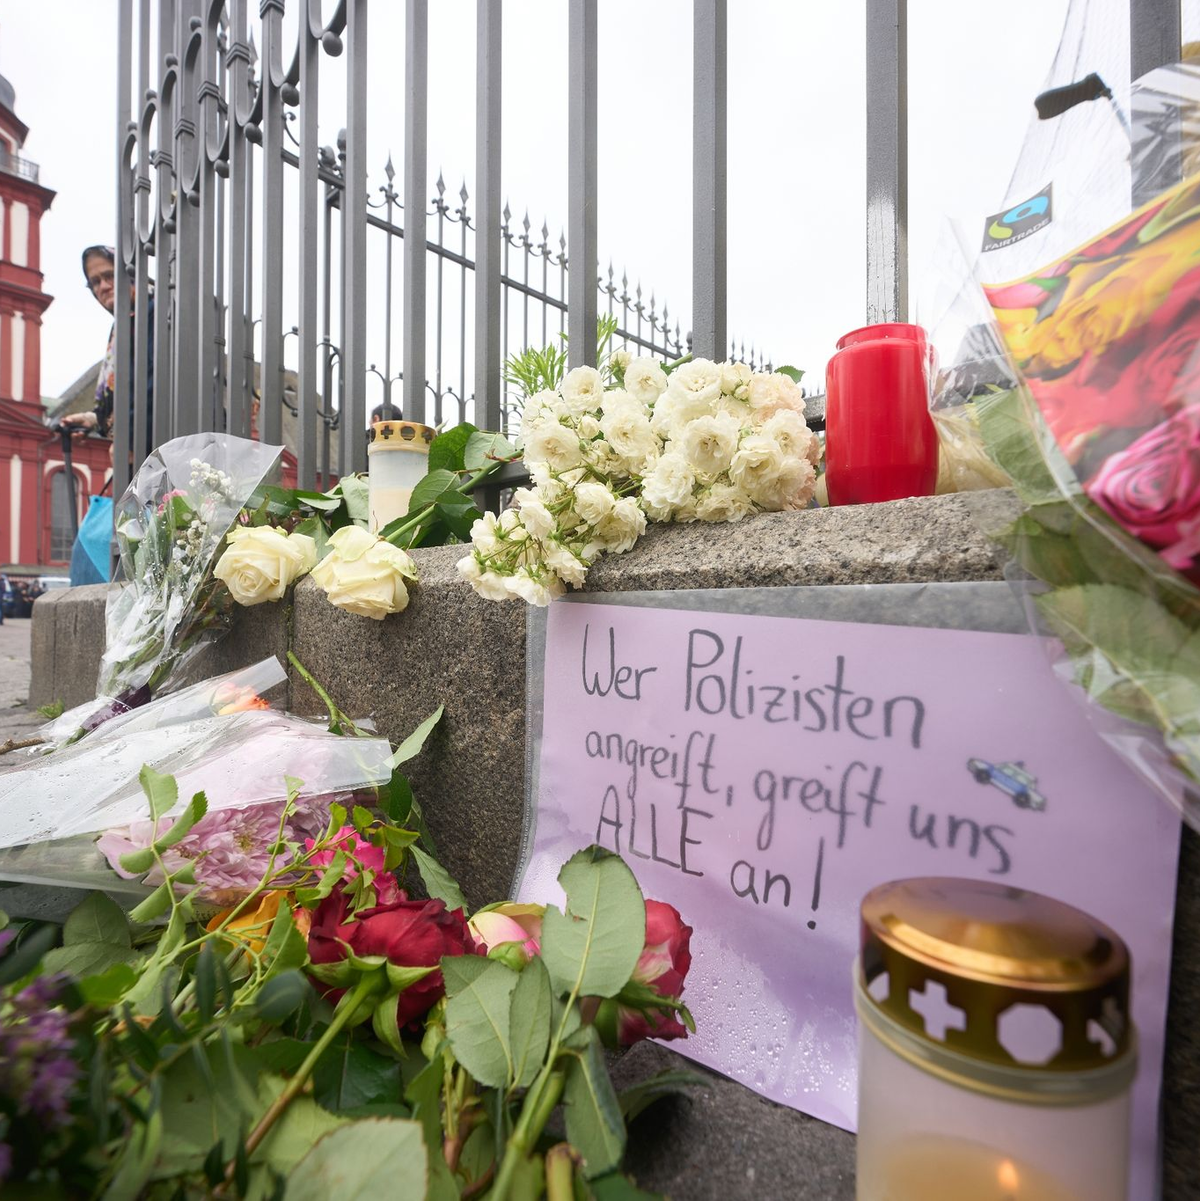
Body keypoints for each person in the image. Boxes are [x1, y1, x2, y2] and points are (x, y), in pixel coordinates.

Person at [60, 245, 154, 460]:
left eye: (109, 276)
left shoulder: (155, 313)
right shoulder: (121, 326)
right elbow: (128, 392)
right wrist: (93, 419)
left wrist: (129, 440)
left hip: (163, 448)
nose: (103, 286)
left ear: (132, 274)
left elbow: (155, 380)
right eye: (94, 282)